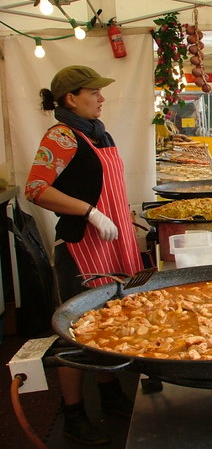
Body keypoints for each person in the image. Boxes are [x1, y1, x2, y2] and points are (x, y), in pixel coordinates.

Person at [25, 65, 143, 445]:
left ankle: (110, 397)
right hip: (82, 248)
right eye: (94, 92)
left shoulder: (98, 134)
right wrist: (89, 212)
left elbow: (102, 183)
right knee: (75, 332)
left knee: (108, 322)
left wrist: (122, 214)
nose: (102, 98)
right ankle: (74, 415)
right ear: (71, 98)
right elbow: (36, 188)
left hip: (112, 241)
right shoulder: (61, 135)